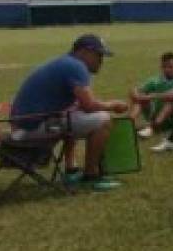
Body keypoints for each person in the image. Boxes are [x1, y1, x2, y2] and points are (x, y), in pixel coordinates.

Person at [9, 34, 127, 192]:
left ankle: (71, 169)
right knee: (103, 120)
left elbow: (79, 105)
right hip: (31, 129)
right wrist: (113, 105)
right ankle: (91, 176)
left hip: (23, 125)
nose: (101, 61)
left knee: (72, 115)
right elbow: (89, 106)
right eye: (98, 55)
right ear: (85, 51)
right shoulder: (76, 67)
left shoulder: (65, 62)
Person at [128, 52, 173, 147]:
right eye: (164, 67)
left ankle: (151, 128)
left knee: (171, 100)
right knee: (140, 98)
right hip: (158, 114)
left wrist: (151, 96)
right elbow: (134, 90)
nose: (167, 69)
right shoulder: (156, 80)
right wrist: (137, 95)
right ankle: (128, 125)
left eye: (170, 67)